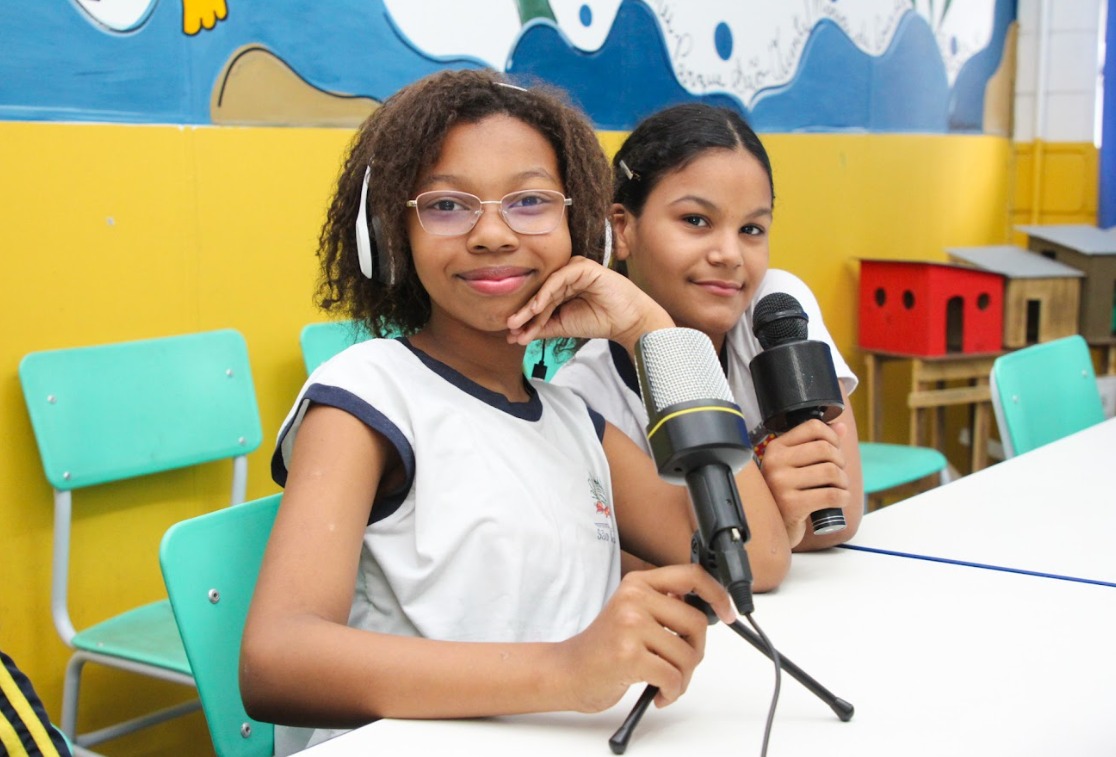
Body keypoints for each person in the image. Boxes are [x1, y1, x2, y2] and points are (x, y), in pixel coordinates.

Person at [239, 69, 738, 756]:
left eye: (531, 201)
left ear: (583, 230)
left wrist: (649, 329)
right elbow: (276, 661)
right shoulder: (367, 397)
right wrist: (565, 670)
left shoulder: (572, 419)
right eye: (447, 206)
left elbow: (752, 554)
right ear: (389, 233)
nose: (493, 234)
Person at [550, 103, 863, 560]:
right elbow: (724, 558)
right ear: (623, 228)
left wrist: (789, 515)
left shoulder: (777, 310)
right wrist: (772, 500)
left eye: (752, 228)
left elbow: (838, 514)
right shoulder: (584, 399)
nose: (729, 254)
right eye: (696, 220)